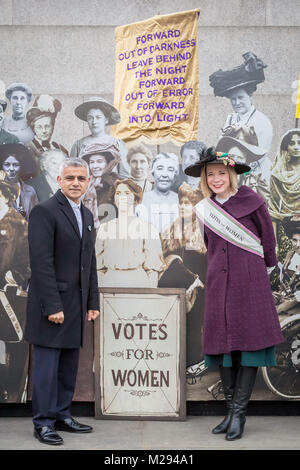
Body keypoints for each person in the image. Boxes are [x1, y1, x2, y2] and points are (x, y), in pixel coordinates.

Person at [185, 147, 283, 441]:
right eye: (211, 174)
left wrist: (258, 275)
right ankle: (229, 412)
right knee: (224, 348)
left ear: (232, 175)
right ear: (205, 178)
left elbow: (268, 242)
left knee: (249, 349)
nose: (216, 179)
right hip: (218, 284)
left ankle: (239, 414)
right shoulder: (205, 209)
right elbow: (210, 247)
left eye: (221, 173)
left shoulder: (252, 202)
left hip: (249, 283)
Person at [24, 158, 100, 446]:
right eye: (70, 178)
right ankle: (43, 422)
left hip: (77, 305)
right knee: (46, 367)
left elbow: (88, 262)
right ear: (59, 180)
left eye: (81, 178)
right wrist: (53, 306)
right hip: (51, 305)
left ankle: (61, 415)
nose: (76, 183)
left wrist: (92, 301)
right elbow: (41, 264)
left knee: (69, 364)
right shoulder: (44, 212)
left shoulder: (88, 215)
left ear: (88, 181)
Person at [209, 52, 273, 190]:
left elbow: (259, 155)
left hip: (257, 176)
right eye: (233, 99)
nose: (237, 102)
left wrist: (236, 171)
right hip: (233, 174)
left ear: (250, 96)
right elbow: (221, 148)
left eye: (240, 97)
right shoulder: (231, 118)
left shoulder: (262, 121)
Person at [96, 179, 164, 288]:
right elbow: (99, 268)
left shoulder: (148, 228)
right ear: (114, 198)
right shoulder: (104, 228)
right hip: (110, 284)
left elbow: (152, 269)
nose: (122, 197)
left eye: (127, 193)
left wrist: (149, 296)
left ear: (135, 198)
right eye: (118, 193)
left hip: (138, 284)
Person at [0, 179, 30, 403]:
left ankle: (11, 393)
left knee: (12, 344)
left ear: (5, 196)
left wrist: (12, 277)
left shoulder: (18, 223)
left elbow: (27, 263)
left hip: (8, 296)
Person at [70, 96, 129, 178]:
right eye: (90, 118)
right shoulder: (78, 145)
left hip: (112, 189)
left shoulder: (117, 144)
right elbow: (72, 173)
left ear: (106, 120)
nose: (94, 122)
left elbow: (124, 175)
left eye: (98, 117)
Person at [268, 129, 300, 241]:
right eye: (292, 143)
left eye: (299, 143)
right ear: (286, 147)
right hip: (285, 231)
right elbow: (273, 211)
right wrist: (275, 243)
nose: (296, 147)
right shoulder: (277, 176)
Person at [81, 143, 120, 229]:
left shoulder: (116, 185)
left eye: (99, 161)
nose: (95, 166)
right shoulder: (86, 185)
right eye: (92, 162)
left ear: (108, 163)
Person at [139, 153, 179, 234]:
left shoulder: (181, 201)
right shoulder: (140, 200)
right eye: (160, 168)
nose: (164, 174)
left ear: (175, 175)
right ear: (153, 173)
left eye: (170, 169)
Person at [26, 94, 69, 167]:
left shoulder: (61, 149)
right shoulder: (27, 149)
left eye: (47, 126)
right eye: (39, 127)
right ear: (33, 128)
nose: (44, 131)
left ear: (52, 126)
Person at [0, 143, 38, 219]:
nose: (11, 169)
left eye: (15, 165)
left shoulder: (30, 191)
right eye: (7, 164)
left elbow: (36, 218)